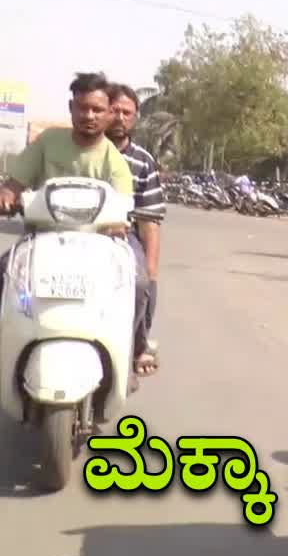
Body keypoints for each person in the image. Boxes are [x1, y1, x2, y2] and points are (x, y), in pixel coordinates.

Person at [0, 73, 138, 296]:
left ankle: (132, 332)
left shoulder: (116, 163)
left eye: (97, 109)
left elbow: (122, 210)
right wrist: (6, 196)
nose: (89, 115)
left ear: (110, 113)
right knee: (5, 272)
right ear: (71, 107)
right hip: (40, 244)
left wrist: (118, 225)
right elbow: (14, 183)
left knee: (137, 286)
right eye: (82, 108)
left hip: (95, 253)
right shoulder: (47, 141)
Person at [106, 83, 167, 376]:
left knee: (141, 283)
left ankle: (133, 344)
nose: (119, 117)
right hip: (70, 231)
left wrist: (150, 271)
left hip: (121, 235)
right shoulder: (75, 147)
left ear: (135, 117)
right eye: (114, 110)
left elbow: (149, 221)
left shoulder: (142, 161)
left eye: (126, 112)